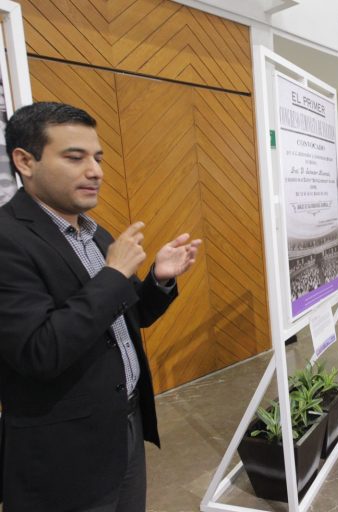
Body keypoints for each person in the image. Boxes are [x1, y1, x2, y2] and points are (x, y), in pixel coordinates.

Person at [0, 102, 202, 511]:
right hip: (63, 453)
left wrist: (159, 279)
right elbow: (40, 352)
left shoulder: (92, 231)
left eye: (97, 158)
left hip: (123, 423)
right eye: (75, 157)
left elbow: (129, 316)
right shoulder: (7, 239)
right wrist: (112, 275)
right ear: (25, 161)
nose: (96, 171)